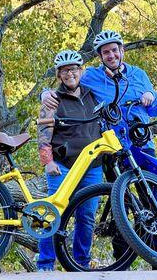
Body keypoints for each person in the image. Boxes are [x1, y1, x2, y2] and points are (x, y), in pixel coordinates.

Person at [41, 30, 157, 169]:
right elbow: (69, 80)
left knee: (153, 188)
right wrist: (45, 94)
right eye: (106, 52)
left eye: (114, 50)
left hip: (141, 141)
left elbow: (155, 111)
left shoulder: (139, 74)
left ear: (122, 50)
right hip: (112, 147)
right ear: (100, 56)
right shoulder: (91, 75)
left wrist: (151, 96)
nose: (111, 55)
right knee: (118, 189)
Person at [36, 49, 103, 271]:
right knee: (53, 214)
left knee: (87, 217)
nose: (69, 74)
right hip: (63, 166)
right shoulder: (52, 100)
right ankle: (45, 265)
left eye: (73, 69)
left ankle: (80, 264)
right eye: (64, 71)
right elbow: (44, 133)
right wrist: (48, 162)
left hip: (92, 166)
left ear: (81, 71)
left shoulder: (93, 94)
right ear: (59, 75)